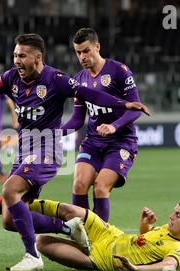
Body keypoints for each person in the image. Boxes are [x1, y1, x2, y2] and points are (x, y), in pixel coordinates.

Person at [0, 33, 150, 271]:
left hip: (46, 147)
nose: (16, 60)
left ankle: (33, 254)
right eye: (15, 55)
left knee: (10, 189)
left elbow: (91, 95)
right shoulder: (10, 78)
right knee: (8, 220)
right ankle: (69, 228)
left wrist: (124, 104)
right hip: (24, 148)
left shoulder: (56, 79)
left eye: (22, 55)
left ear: (37, 57)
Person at [61, 28, 144, 222]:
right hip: (93, 142)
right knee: (79, 184)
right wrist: (54, 132)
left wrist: (114, 126)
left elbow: (135, 108)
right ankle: (82, 235)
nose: (82, 56)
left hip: (121, 142)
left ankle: (100, 240)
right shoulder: (79, 79)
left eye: (86, 50)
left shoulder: (119, 71)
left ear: (97, 47)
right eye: (78, 52)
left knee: (100, 187)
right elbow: (77, 120)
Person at [28, 198, 180, 271]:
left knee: (42, 241)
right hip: (110, 235)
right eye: (174, 212)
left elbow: (169, 266)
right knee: (69, 210)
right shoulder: (168, 228)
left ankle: (72, 233)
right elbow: (146, 242)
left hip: (103, 258)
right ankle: (20, 203)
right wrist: (145, 225)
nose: (171, 216)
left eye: (178, 215)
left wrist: (136, 269)